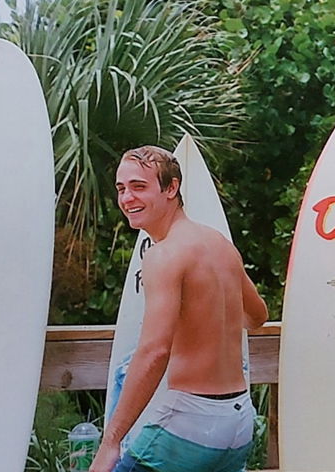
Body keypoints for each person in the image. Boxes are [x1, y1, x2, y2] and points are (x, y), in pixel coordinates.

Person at [90, 146, 268, 472]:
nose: (127, 198)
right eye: (121, 188)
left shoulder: (164, 255)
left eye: (139, 187)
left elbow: (154, 351)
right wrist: (207, 320)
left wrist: (110, 442)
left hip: (191, 422)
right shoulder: (220, 245)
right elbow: (258, 316)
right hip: (238, 420)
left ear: (171, 188)